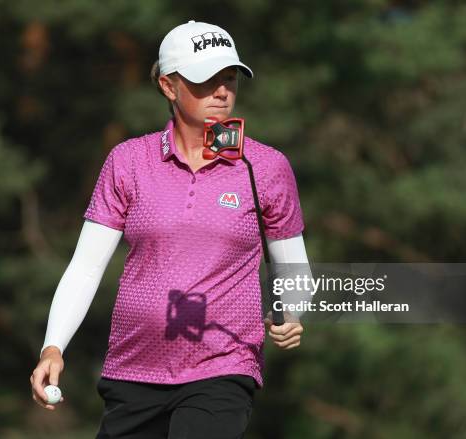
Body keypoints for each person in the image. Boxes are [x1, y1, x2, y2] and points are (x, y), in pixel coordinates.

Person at [30, 20, 311, 439]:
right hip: (132, 370)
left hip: (223, 367)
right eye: (206, 81)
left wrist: (291, 312)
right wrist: (53, 346)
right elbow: (86, 268)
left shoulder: (266, 167)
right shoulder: (128, 161)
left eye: (229, 79)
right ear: (168, 85)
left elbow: (294, 270)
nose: (221, 92)